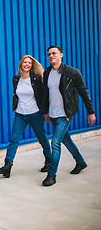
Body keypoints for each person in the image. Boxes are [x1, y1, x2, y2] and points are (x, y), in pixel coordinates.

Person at [41, 45, 96, 186]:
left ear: (61, 55)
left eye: (54, 53)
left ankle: (51, 175)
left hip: (66, 113)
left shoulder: (72, 72)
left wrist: (91, 112)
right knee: (66, 139)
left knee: (55, 142)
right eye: (49, 54)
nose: (51, 56)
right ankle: (80, 162)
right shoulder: (47, 72)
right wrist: (46, 112)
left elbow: (83, 92)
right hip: (52, 114)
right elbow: (46, 94)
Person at [0, 55, 52, 178]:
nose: (27, 64)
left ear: (32, 65)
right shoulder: (16, 79)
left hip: (35, 114)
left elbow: (43, 96)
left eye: (29, 63)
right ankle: (7, 166)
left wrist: (45, 112)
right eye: (25, 62)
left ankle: (49, 160)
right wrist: (16, 108)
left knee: (41, 138)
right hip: (20, 114)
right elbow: (16, 95)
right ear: (21, 64)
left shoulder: (36, 79)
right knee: (14, 139)